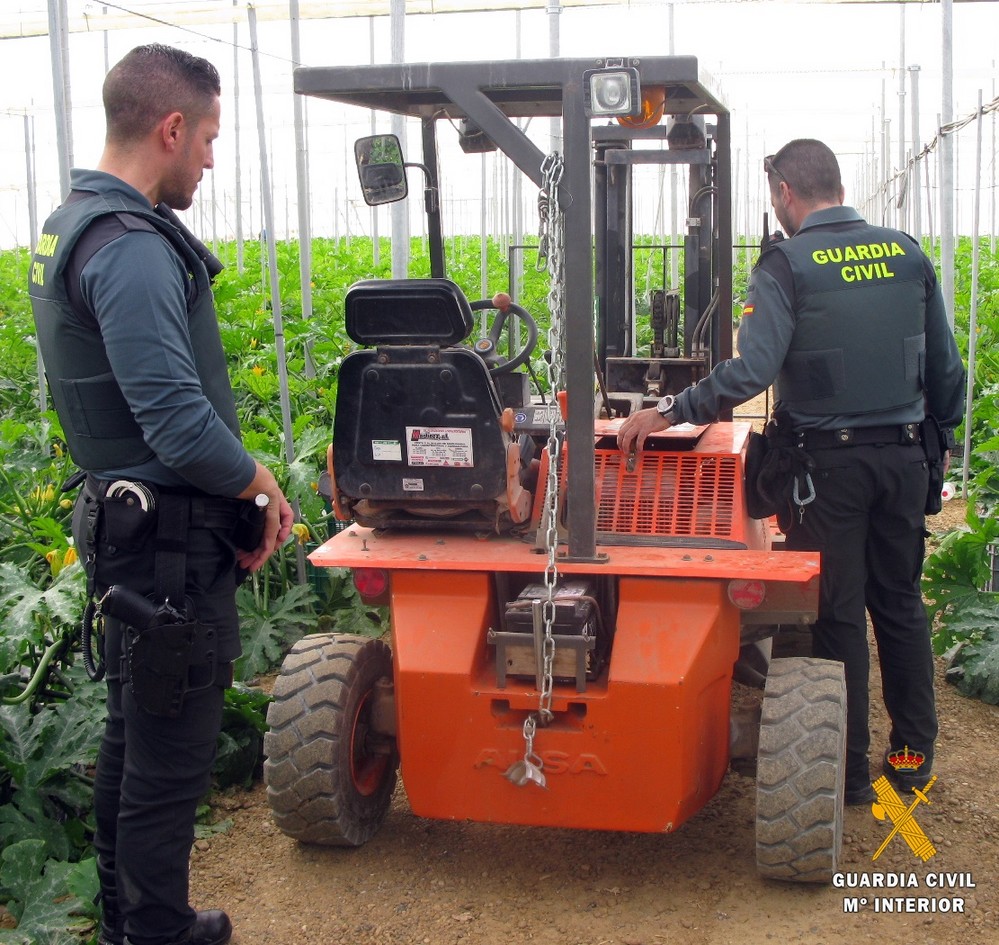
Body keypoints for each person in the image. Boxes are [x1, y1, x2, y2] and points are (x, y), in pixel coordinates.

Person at [28, 44, 294, 945]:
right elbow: (177, 422)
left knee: (130, 744)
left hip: (125, 523)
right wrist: (259, 486)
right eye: (208, 138)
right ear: (170, 128)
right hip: (167, 542)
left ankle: (130, 921)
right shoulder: (133, 247)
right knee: (170, 760)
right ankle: (156, 931)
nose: (210, 160)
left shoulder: (70, 224)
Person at [617, 138, 965, 807]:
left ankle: (849, 772)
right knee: (897, 604)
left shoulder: (786, 264)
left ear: (783, 191)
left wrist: (670, 410)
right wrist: (939, 438)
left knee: (836, 613)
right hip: (902, 456)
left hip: (824, 470)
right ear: (835, 183)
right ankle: (912, 759)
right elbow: (945, 370)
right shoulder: (905, 252)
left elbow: (751, 371)